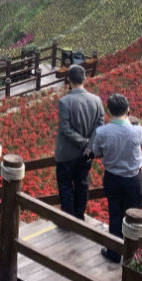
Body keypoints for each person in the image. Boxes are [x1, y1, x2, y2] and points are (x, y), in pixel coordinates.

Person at [92, 93, 142, 262]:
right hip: (133, 179)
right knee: (133, 217)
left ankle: (115, 252)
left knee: (115, 214)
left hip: (113, 178)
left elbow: (96, 152)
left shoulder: (102, 132)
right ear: (128, 110)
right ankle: (133, 255)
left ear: (108, 110)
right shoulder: (136, 130)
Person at [55, 64, 104, 220]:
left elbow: (65, 129)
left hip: (67, 154)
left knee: (65, 186)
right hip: (87, 154)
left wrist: (83, 142)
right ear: (85, 79)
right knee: (82, 184)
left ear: (69, 80)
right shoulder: (96, 100)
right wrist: (89, 145)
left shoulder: (65, 102)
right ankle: (80, 217)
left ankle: (69, 220)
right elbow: (100, 126)